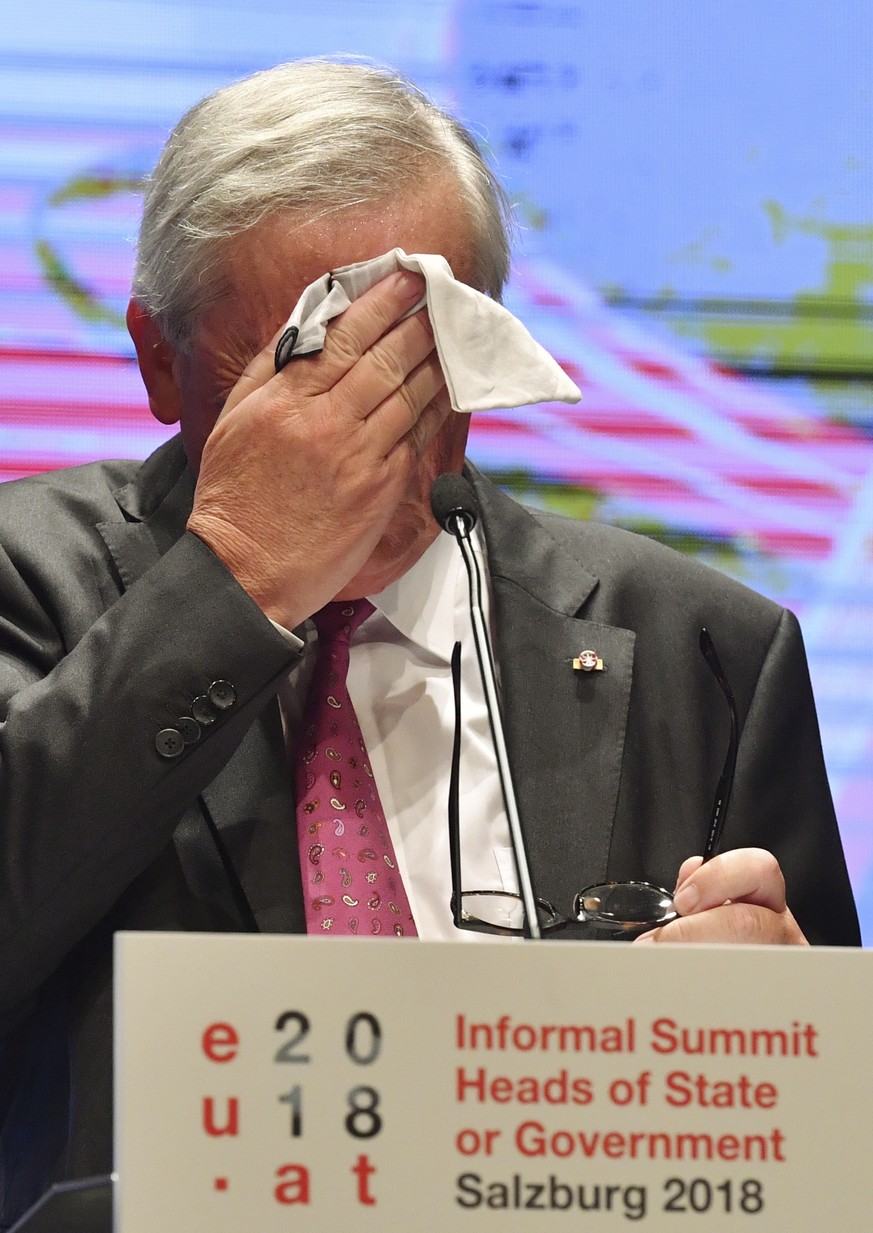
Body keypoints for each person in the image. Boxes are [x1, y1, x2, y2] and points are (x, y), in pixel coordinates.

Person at [0, 57, 859, 1223]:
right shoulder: (29, 578)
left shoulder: (705, 646)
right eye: (313, 370)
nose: (380, 428)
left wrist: (781, 1047)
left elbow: (819, 1166)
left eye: (424, 355)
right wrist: (241, 577)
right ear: (160, 358)